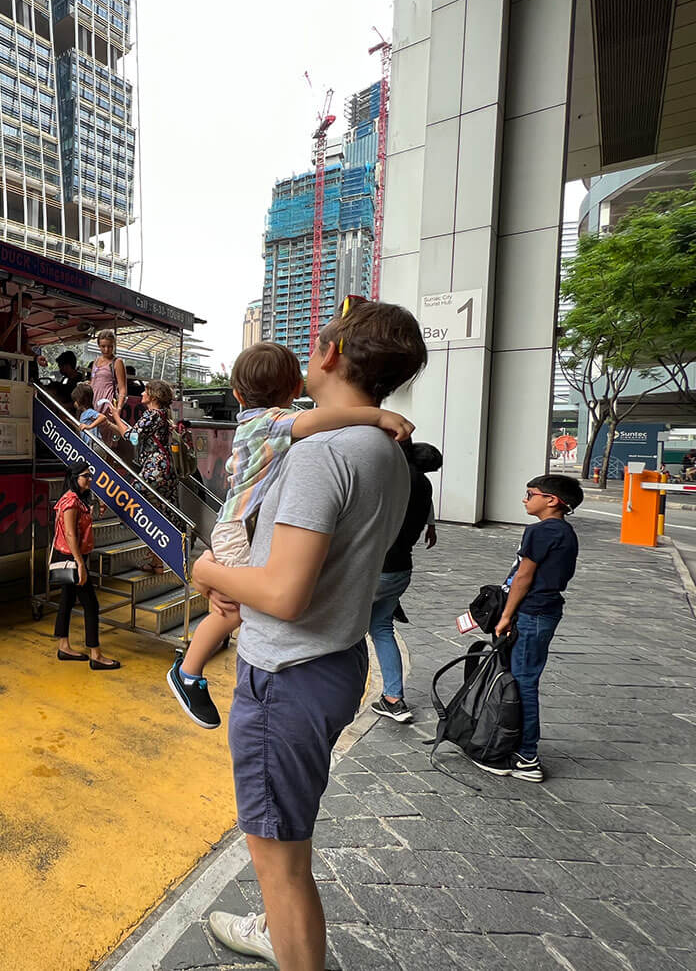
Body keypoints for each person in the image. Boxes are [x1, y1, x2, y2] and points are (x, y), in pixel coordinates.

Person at [193, 299, 427, 971]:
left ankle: (288, 943)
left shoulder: (323, 453)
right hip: (332, 659)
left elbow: (284, 594)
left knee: (281, 859)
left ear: (328, 354)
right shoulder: (381, 448)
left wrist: (209, 569)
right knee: (286, 843)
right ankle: (278, 927)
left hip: (288, 675)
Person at [166, 341, 415, 730]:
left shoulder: (262, 425)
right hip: (237, 526)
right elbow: (313, 422)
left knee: (236, 601)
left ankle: (191, 667)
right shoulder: (268, 421)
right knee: (233, 607)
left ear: (235, 392)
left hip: (241, 524)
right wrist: (375, 415)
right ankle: (188, 671)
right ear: (294, 391)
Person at [474, 473, 583, 783]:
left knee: (523, 682)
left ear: (552, 500)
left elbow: (523, 577)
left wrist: (506, 616)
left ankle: (526, 757)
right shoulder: (564, 532)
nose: (525, 498)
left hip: (530, 612)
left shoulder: (541, 531)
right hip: (545, 611)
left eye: (530, 493)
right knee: (523, 679)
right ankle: (515, 745)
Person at [367, 442, 442, 724]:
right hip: (400, 572)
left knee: (340, 629)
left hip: (373, 570)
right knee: (382, 628)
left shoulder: (393, 479)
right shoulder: (424, 486)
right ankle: (393, 699)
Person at [52, 457, 120, 669]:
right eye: (85, 476)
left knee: (67, 600)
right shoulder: (71, 502)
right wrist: (80, 563)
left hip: (70, 555)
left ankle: (64, 646)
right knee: (91, 604)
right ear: (75, 478)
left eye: (90, 475)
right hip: (72, 557)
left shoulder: (76, 499)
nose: (90, 479)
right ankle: (96, 655)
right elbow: (71, 534)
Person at [109, 379, 177, 573]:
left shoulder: (152, 415)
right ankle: (157, 560)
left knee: (134, 502)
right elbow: (133, 435)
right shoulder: (163, 415)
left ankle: (133, 533)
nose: (142, 394)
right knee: (157, 513)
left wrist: (115, 416)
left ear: (153, 396)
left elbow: (132, 438)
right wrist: (112, 423)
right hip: (165, 468)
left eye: (145, 391)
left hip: (154, 468)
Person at [89, 328, 127, 415]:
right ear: (98, 345)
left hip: (107, 404)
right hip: (93, 402)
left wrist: (119, 408)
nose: (106, 350)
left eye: (110, 346)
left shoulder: (117, 362)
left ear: (114, 345)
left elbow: (122, 389)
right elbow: (93, 381)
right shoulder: (96, 361)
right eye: (103, 346)